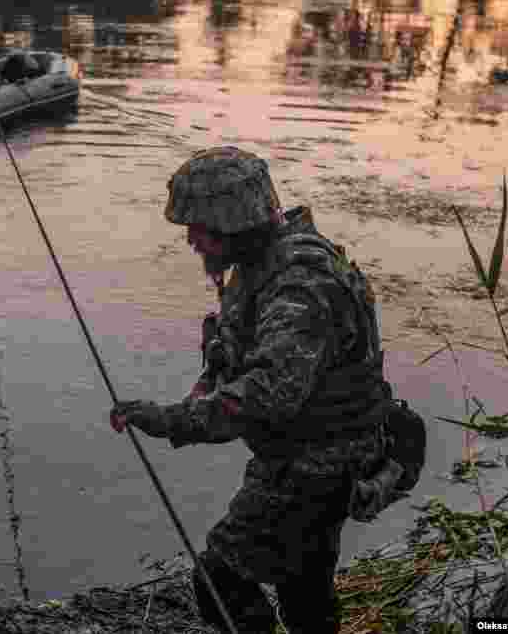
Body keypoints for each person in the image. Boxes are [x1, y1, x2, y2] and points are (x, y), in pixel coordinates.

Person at [110, 146, 393, 634]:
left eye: (198, 230)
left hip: (317, 465)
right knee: (304, 589)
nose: (192, 242)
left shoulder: (301, 284)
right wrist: (214, 368)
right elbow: (244, 343)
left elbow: (267, 394)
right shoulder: (264, 261)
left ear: (234, 223)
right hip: (318, 453)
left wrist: (168, 420)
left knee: (220, 579)